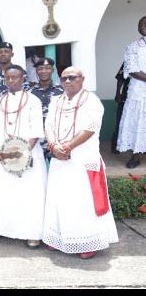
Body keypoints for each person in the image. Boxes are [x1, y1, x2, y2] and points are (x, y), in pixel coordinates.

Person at [43, 67, 118, 259]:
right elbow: (49, 125)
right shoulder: (55, 101)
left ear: (82, 79)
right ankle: (58, 238)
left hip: (82, 159)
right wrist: (53, 146)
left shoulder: (92, 101)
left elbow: (89, 129)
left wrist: (66, 147)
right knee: (59, 199)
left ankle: (86, 242)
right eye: (64, 78)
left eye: (72, 77)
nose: (68, 81)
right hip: (60, 158)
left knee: (81, 201)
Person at [0, 65, 47, 248]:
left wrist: (23, 153)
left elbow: (35, 131)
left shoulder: (33, 101)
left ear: (23, 78)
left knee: (28, 195)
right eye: (8, 78)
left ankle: (32, 233)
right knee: (2, 193)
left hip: (26, 154)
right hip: (1, 155)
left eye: (15, 77)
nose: (11, 81)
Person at [117, 16, 146, 168]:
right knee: (138, 122)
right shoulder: (133, 46)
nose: (142, 26)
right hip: (139, 92)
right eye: (140, 24)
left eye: (145, 24)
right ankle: (136, 155)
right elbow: (132, 69)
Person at [30, 57, 64, 160]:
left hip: (55, 139)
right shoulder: (29, 92)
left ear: (53, 70)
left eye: (47, 68)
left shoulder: (62, 91)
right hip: (36, 139)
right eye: (40, 68)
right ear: (36, 71)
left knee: (57, 171)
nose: (44, 71)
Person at [111, 62, 130, 154]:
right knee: (120, 122)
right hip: (126, 97)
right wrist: (117, 94)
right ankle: (115, 145)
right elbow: (120, 79)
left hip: (142, 99)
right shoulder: (129, 60)